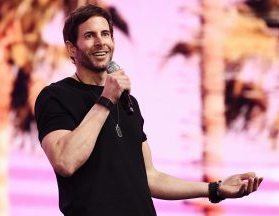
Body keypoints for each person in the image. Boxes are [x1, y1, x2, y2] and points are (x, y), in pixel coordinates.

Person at [34, 4, 263, 216]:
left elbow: (150, 177)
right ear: (71, 48)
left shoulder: (127, 101)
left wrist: (216, 189)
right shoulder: (55, 97)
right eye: (89, 35)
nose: (100, 42)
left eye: (105, 34)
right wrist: (106, 101)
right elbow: (65, 161)